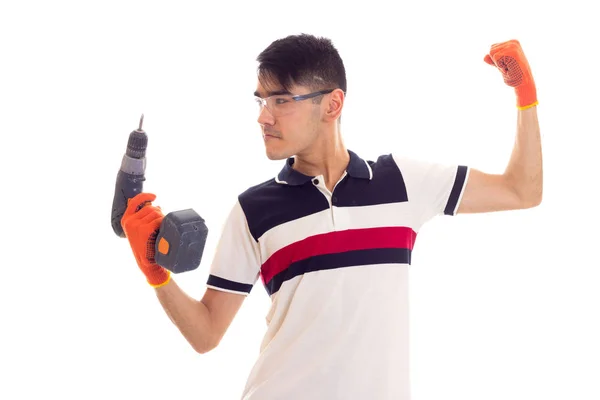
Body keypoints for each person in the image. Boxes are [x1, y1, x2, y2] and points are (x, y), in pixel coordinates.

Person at [121, 34, 542, 400]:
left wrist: (525, 96)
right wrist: (156, 272)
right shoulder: (254, 210)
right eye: (261, 101)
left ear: (332, 104)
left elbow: (521, 190)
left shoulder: (403, 181)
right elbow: (206, 334)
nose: (263, 116)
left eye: (281, 100)